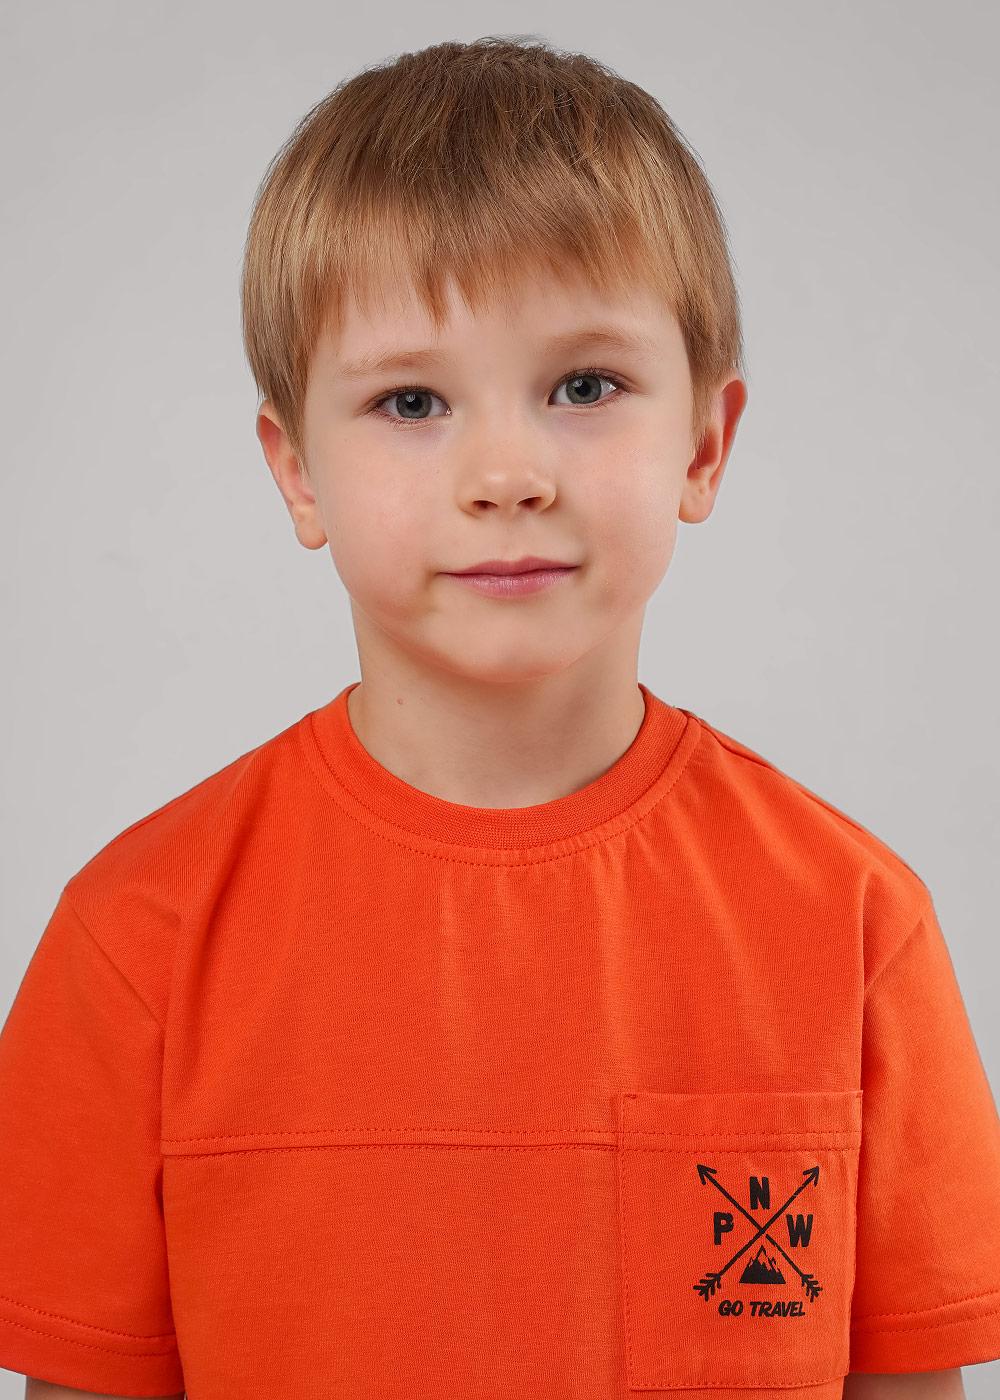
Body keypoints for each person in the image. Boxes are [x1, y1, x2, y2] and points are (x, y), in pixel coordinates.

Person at [1, 34, 996, 1400]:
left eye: (585, 387)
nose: (508, 472)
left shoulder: (857, 923)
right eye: (410, 401)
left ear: (705, 443)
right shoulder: (137, 943)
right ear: (298, 474)